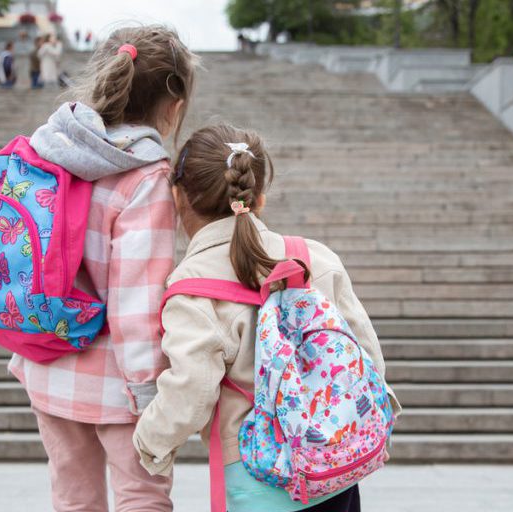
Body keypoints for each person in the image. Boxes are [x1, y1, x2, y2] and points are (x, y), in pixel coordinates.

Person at [132, 123, 401, 512]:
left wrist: (150, 442)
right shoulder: (315, 259)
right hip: (333, 467)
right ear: (259, 197)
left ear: (178, 197)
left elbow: (191, 388)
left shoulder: (192, 286)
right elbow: (366, 356)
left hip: (258, 475)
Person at [8, 25, 199, 512]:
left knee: (72, 497)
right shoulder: (146, 176)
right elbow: (135, 303)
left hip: (47, 362)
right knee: (141, 497)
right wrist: (150, 392)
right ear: (173, 104)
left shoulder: (50, 147)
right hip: (117, 384)